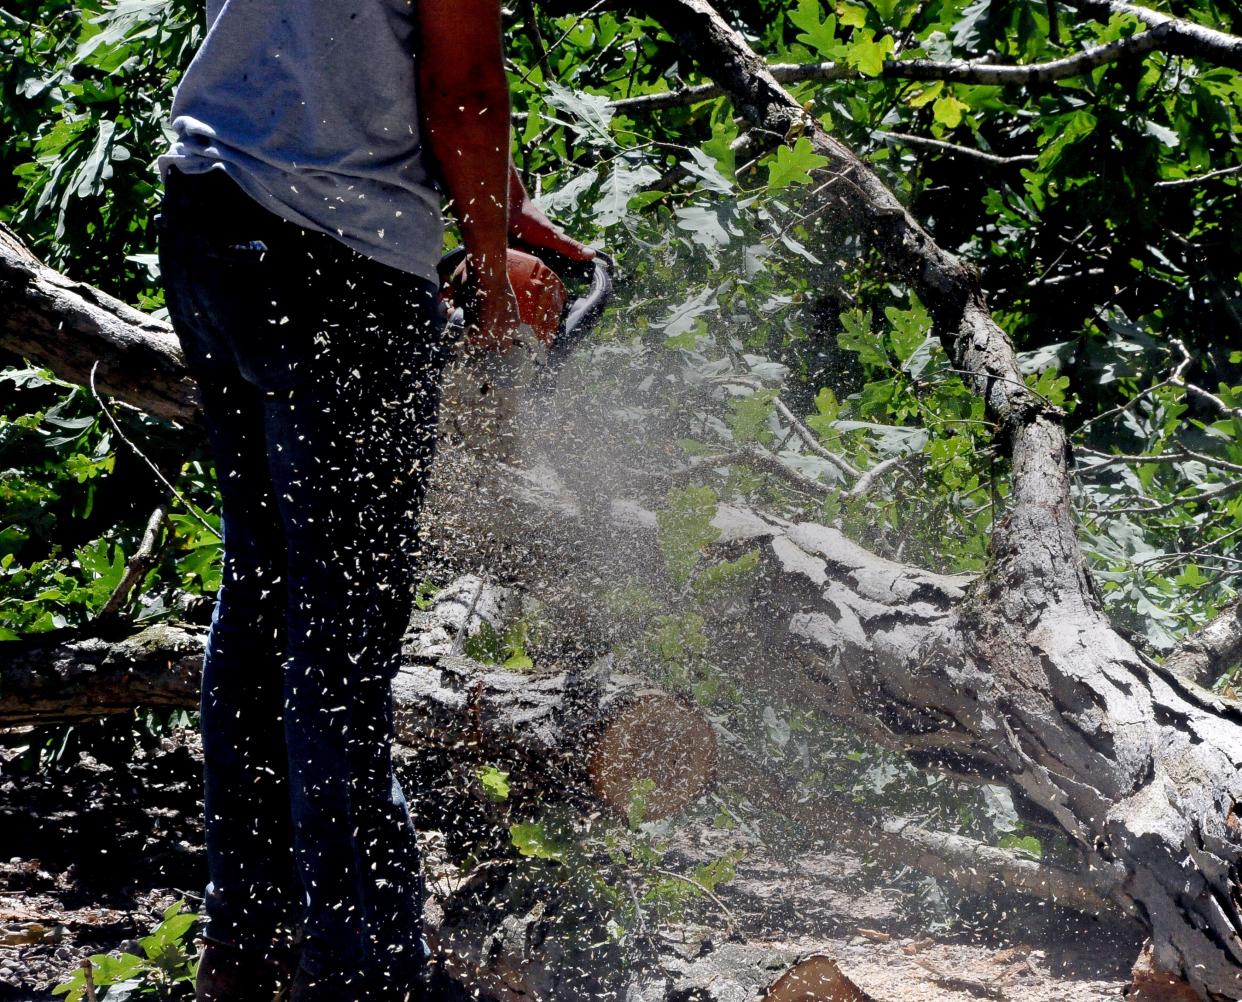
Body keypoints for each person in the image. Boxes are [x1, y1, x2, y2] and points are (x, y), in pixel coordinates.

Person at [155, 1, 592, 999]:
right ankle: (366, 965)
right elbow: (467, 91)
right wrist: (487, 270)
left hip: (214, 214)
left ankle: (248, 935)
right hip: (330, 257)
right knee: (340, 621)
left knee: (263, 590)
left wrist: (490, 203)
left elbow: (317, 58)